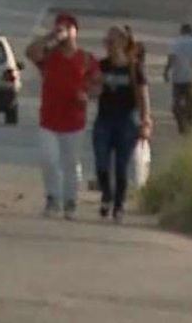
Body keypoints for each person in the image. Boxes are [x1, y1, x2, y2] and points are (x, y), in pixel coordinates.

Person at [25, 12, 100, 219]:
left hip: (73, 120)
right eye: (60, 27)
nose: (63, 31)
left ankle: (70, 201)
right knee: (49, 159)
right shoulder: (49, 57)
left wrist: (87, 95)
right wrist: (50, 37)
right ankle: (52, 198)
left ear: (76, 31)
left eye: (67, 27)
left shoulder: (85, 58)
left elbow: (97, 85)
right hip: (49, 118)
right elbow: (30, 52)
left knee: (70, 163)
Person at [92, 26, 151, 222]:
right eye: (106, 42)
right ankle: (106, 194)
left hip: (127, 120)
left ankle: (118, 205)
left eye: (112, 42)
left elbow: (143, 97)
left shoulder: (134, 69)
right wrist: (93, 87)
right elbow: (92, 91)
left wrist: (146, 121)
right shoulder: (101, 66)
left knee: (121, 165)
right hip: (104, 119)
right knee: (101, 160)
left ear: (123, 43)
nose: (108, 46)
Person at [164, 23, 192, 134]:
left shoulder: (175, 43)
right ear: (190, 31)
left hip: (178, 78)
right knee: (191, 102)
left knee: (176, 102)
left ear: (181, 31)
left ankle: (180, 123)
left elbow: (171, 58)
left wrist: (166, 71)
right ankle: (189, 124)